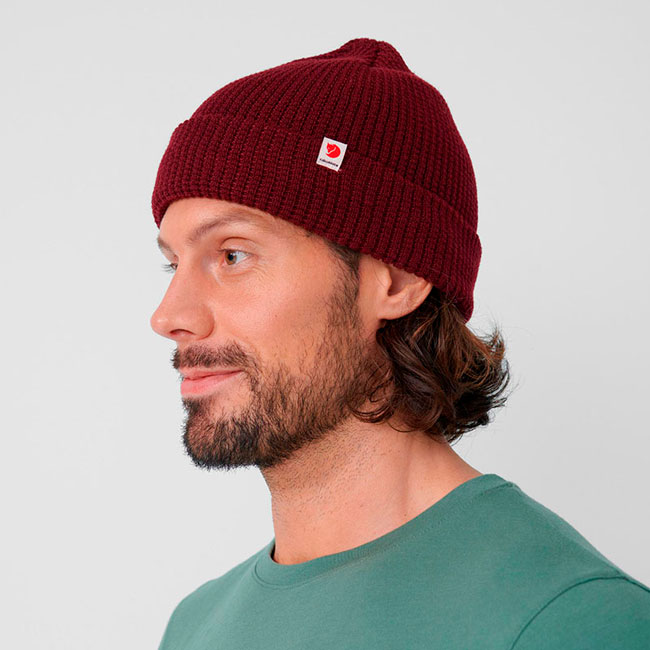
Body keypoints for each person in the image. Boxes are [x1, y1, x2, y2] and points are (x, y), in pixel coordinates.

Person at [149, 37, 650, 649]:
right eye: (173, 263)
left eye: (232, 255)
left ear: (397, 280)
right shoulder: (194, 626)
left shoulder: (572, 621)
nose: (169, 316)